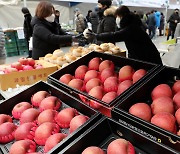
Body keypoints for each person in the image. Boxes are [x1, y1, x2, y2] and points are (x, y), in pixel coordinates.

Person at [84, 6, 162, 65]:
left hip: (148, 59)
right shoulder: (133, 24)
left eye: (118, 17)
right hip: (145, 57)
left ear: (123, 16)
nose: (117, 19)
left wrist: (96, 36)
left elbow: (114, 35)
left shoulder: (131, 28)